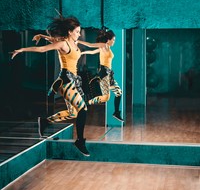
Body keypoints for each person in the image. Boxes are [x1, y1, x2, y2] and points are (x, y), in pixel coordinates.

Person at [11, 16, 106, 157]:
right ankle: (80, 141)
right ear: (69, 32)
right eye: (77, 31)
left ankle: (45, 121)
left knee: (73, 113)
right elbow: (43, 49)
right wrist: (22, 50)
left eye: (80, 31)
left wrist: (41, 35)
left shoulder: (74, 42)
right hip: (65, 81)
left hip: (74, 81)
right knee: (83, 108)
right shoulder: (63, 44)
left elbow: (91, 45)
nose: (79, 34)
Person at [79, 29, 124, 122]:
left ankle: (116, 112)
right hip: (104, 74)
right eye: (113, 40)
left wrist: (83, 53)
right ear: (108, 39)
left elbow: (92, 52)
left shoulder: (106, 48)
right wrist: (77, 41)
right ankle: (86, 103)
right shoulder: (104, 45)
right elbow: (90, 45)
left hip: (109, 74)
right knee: (106, 98)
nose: (114, 42)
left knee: (119, 93)